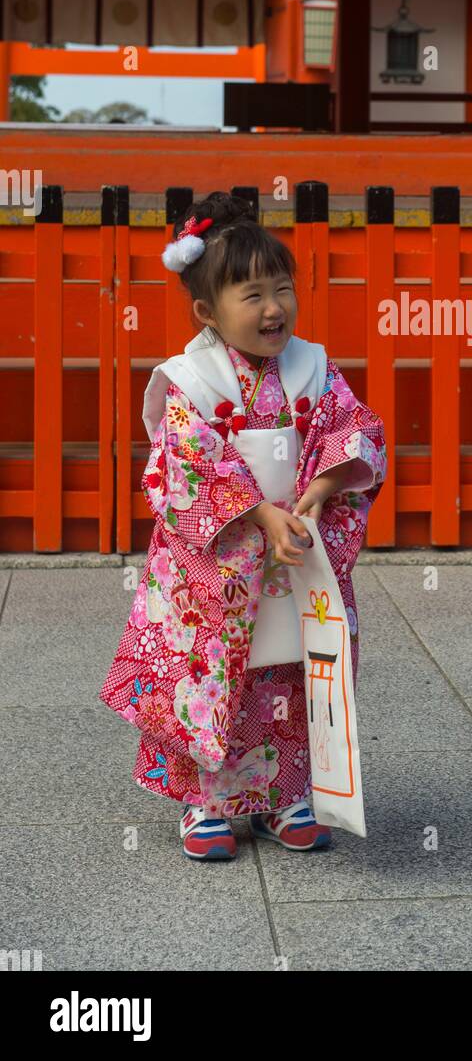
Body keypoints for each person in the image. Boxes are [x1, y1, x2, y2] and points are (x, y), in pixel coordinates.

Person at [99, 192, 386, 861]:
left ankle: (286, 796)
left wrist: (314, 498)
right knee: (216, 676)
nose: (272, 309)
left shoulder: (312, 366)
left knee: (289, 673)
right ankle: (206, 802)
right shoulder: (189, 379)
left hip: (294, 549)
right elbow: (188, 466)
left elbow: (353, 433)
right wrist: (260, 514)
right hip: (221, 561)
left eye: (282, 290)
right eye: (252, 295)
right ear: (206, 311)